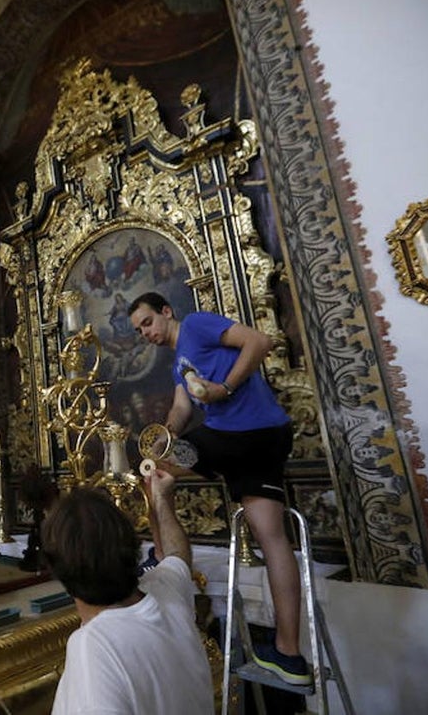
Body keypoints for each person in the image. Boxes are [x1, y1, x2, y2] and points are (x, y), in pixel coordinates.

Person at [128, 291, 310, 686]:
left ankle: (160, 557)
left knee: (153, 474)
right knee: (272, 538)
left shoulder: (194, 325)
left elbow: (259, 342)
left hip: (238, 435)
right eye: (139, 330)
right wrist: (166, 434)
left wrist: (223, 389)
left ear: (166, 311)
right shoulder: (180, 364)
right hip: (267, 438)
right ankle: (289, 655)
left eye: (147, 322)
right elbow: (182, 409)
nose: (146, 333)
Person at [42, 471, 213, 714]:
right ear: (132, 546)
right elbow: (177, 555)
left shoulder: (94, 648)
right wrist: (161, 499)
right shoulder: (166, 590)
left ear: (59, 572)